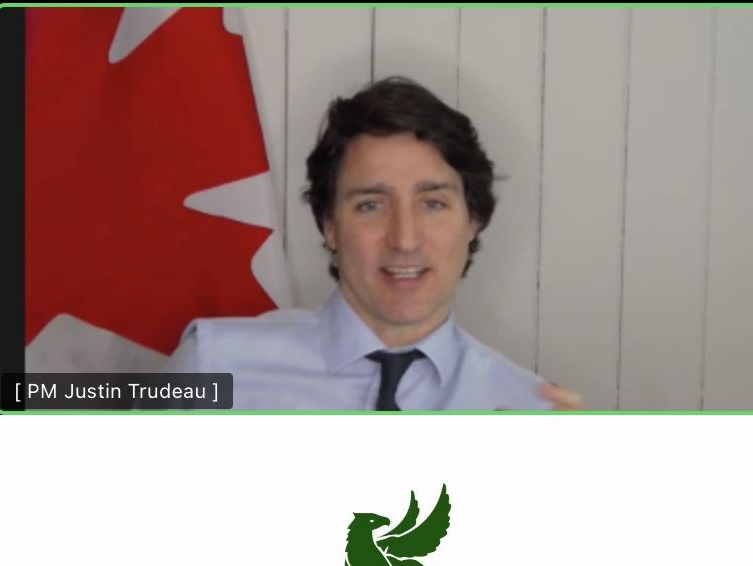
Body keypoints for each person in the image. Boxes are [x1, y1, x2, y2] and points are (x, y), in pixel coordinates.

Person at [163, 76, 582, 411]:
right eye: (370, 205)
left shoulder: (528, 409)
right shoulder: (212, 363)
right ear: (329, 224)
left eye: (433, 203)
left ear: (472, 220)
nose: (404, 239)